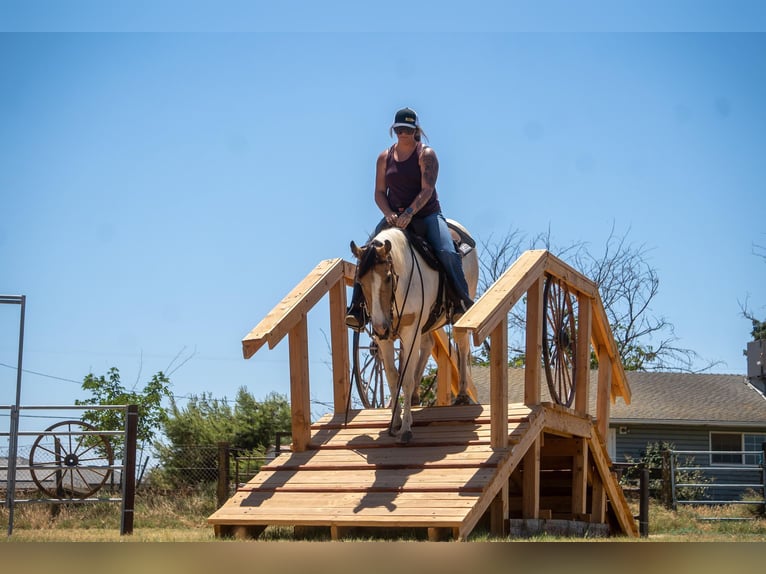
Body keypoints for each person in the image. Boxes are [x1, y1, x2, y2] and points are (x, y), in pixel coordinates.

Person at [346, 107, 474, 330]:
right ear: (393, 130)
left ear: (416, 130)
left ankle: (460, 302)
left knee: (446, 251)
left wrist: (409, 213)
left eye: (407, 129)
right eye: (399, 129)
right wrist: (389, 214)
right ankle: (357, 309)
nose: (403, 133)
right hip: (394, 218)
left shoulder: (426, 155)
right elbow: (378, 192)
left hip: (426, 215)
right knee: (366, 255)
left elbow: (427, 190)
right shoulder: (384, 157)